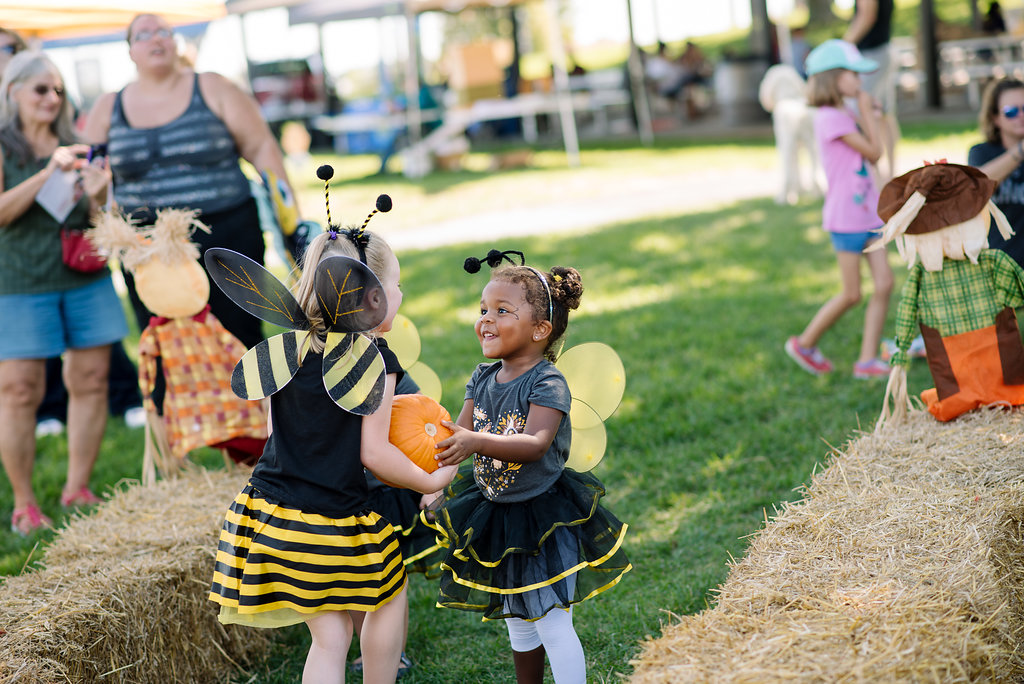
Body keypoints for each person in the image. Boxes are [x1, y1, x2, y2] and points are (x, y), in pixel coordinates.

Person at [208, 220, 458, 683]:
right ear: (371, 296)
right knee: (387, 594)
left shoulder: (287, 348)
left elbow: (273, 433)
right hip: (334, 520)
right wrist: (433, 480)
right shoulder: (374, 360)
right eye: (397, 285)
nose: (400, 296)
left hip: (268, 516)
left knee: (330, 638)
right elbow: (375, 454)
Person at [431, 257, 632, 684]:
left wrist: (475, 443)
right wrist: (433, 482)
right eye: (483, 309)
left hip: (541, 517)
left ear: (540, 330)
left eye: (502, 311)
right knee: (518, 621)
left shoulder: (547, 382)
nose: (486, 320)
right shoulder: (482, 377)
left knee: (552, 622)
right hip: (495, 514)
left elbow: (535, 444)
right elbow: (457, 436)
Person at [82, 12, 298, 350]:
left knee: (237, 338)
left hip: (226, 234)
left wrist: (291, 219)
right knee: (166, 345)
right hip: (147, 247)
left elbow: (262, 148)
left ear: (174, 42)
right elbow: (90, 168)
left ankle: (249, 404)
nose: (156, 39)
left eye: (164, 32)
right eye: (144, 34)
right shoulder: (109, 106)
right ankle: (170, 405)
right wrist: (94, 193)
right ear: (130, 51)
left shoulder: (213, 86)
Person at [0, 51, 128, 534]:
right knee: (17, 391)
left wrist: (100, 194)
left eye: (58, 90)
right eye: (40, 89)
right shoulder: (5, 146)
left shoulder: (81, 146)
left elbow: (103, 224)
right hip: (19, 283)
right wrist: (47, 173)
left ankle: (77, 486)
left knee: (92, 380)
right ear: (13, 92)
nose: (52, 99)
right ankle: (24, 503)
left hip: (85, 279)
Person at [784, 40, 894, 379]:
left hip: (868, 214)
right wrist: (866, 112)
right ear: (832, 78)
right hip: (846, 219)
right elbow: (875, 153)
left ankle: (866, 361)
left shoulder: (844, 113)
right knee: (852, 293)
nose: (860, 82)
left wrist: (869, 114)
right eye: (853, 74)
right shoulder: (830, 118)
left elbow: (875, 151)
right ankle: (804, 343)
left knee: (885, 283)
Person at [968, 78, 1024, 268]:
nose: (1021, 116)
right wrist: (1020, 151)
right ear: (995, 117)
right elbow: (977, 188)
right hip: (997, 266)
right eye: (1011, 112)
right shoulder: (981, 152)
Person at [843, 0, 899, 182]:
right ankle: (889, 174)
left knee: (863, 109)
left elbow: (867, 16)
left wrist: (843, 46)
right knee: (885, 114)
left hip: (872, 54)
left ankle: (877, 174)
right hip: (883, 52)